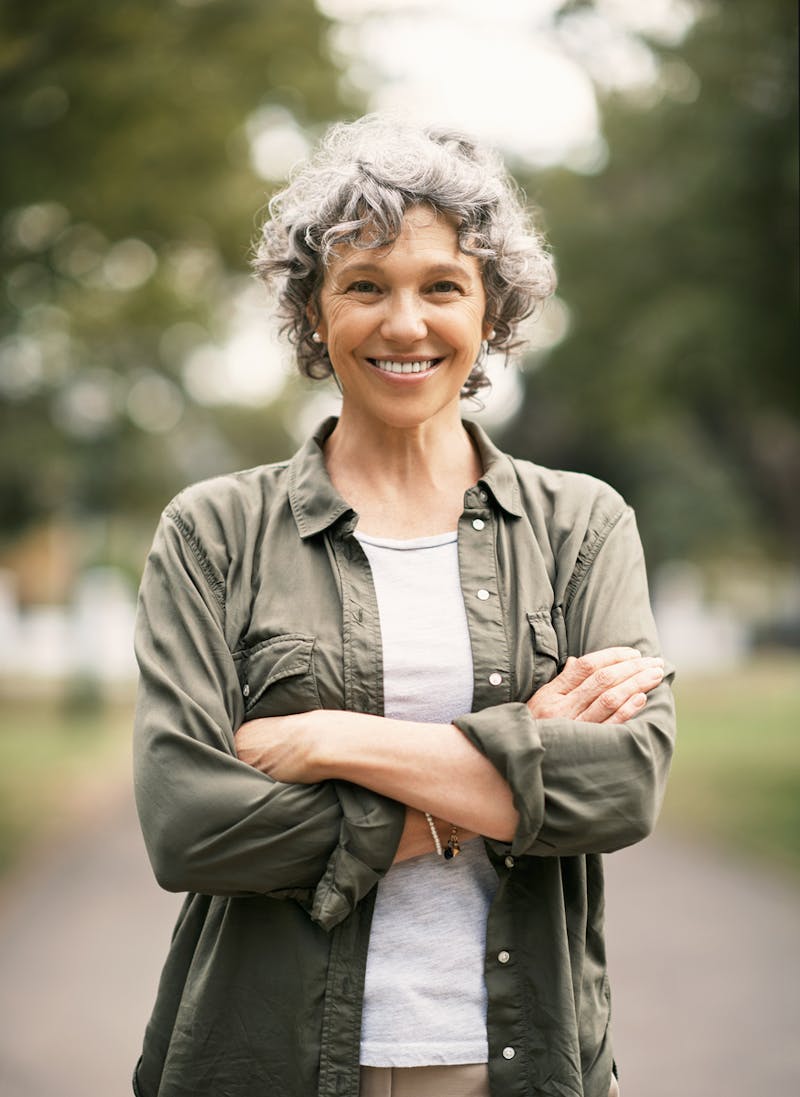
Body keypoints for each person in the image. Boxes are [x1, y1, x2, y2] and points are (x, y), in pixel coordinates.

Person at [132, 115, 675, 1097]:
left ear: (491, 309)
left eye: (441, 286)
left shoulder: (578, 524)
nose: (404, 323)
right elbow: (192, 827)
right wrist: (512, 770)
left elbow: (621, 787)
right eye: (363, 286)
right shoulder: (212, 530)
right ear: (312, 311)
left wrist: (330, 739)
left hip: (510, 1057)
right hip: (262, 1056)